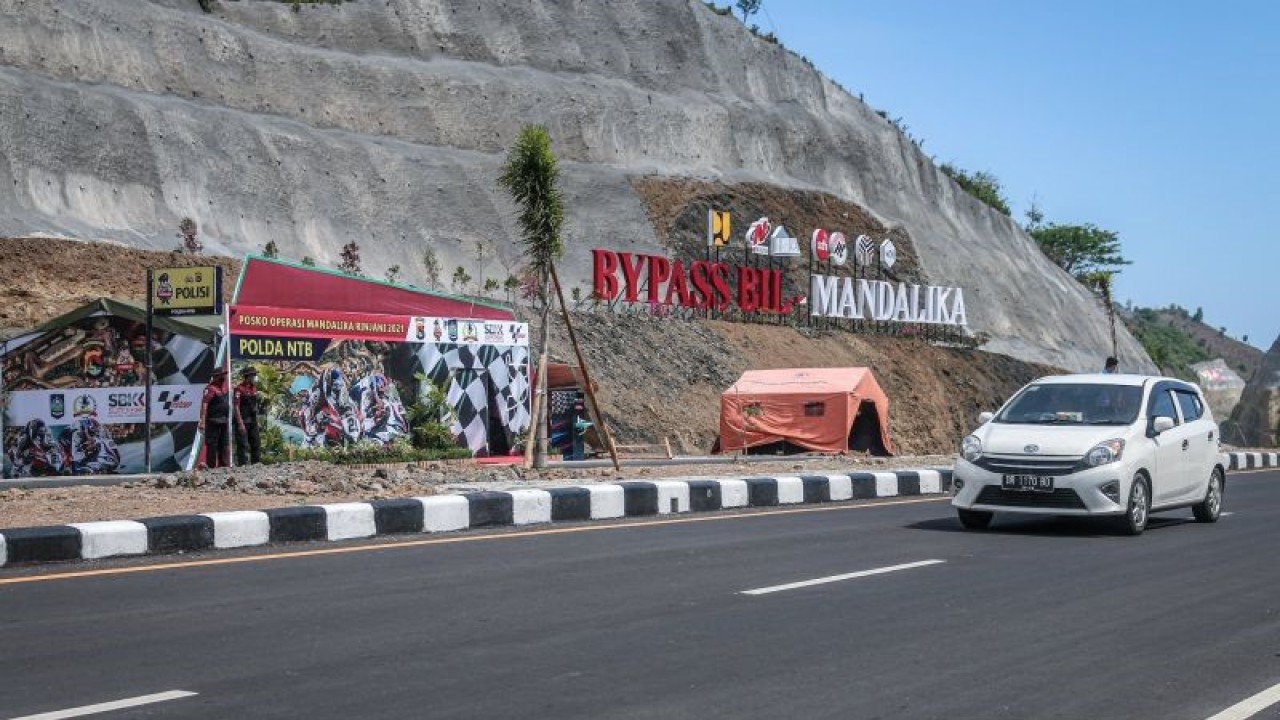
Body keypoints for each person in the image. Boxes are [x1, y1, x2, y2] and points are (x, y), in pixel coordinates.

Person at [200, 367, 231, 468]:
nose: (224, 377)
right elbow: (204, 404)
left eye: (224, 375)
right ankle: (211, 467)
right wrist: (202, 421)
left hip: (223, 421)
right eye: (222, 375)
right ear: (216, 377)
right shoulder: (210, 389)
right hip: (213, 421)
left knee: (224, 444)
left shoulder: (223, 388)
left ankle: (223, 466)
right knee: (212, 445)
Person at [234, 366, 263, 465]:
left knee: (256, 443)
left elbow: (254, 406)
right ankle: (242, 465)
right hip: (243, 420)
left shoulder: (253, 388)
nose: (254, 377)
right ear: (248, 376)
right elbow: (236, 407)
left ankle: (256, 464)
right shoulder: (239, 389)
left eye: (254, 375)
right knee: (242, 444)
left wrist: (257, 421)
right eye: (253, 375)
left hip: (253, 420)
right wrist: (240, 423)